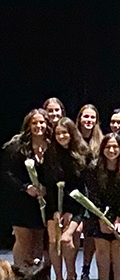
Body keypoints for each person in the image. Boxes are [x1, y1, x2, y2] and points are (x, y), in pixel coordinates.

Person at [45, 117, 93, 280]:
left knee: (66, 239)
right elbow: (49, 185)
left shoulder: (84, 153)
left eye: (64, 132)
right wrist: (56, 211)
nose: (61, 136)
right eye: (58, 133)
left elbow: (83, 188)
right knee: (53, 240)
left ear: (72, 133)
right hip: (54, 205)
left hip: (77, 205)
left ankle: (71, 275)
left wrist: (71, 213)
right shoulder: (50, 153)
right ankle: (58, 277)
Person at [1, 109, 50, 266]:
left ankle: (34, 275)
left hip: (42, 201)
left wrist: (45, 189)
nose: (38, 126)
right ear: (28, 125)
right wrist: (26, 187)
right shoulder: (16, 146)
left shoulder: (52, 145)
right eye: (34, 123)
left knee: (38, 241)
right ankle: (20, 274)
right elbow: (7, 173)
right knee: (23, 241)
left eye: (41, 122)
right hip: (22, 201)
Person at [85, 133, 120, 280]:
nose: (112, 150)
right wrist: (103, 219)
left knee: (118, 247)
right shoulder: (94, 167)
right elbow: (92, 194)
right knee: (102, 251)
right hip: (99, 214)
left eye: (115, 146)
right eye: (108, 147)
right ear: (102, 149)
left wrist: (118, 220)